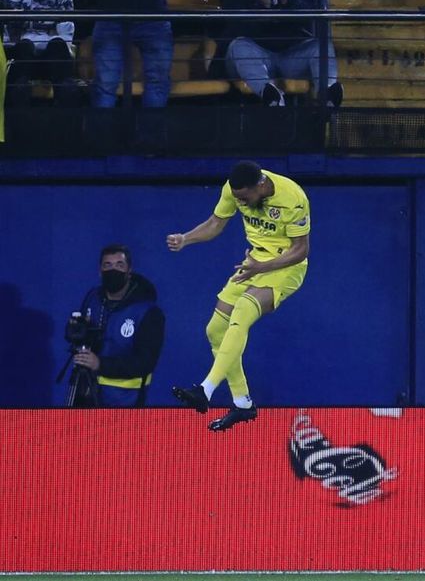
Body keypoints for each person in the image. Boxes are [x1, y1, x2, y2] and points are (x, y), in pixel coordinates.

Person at [167, 160, 311, 431]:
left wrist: (263, 267)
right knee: (215, 329)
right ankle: (243, 402)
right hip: (254, 262)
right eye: (237, 198)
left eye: (245, 198)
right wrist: (186, 239)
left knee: (243, 309)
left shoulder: (293, 197)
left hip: (286, 268)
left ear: (261, 185)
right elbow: (215, 223)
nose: (241, 202)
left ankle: (205, 390)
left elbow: (301, 250)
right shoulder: (233, 191)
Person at [220, 0, 342, 107]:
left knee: (321, 45)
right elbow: (238, 28)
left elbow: (309, 19)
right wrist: (263, 6)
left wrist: (287, 0)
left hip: (290, 55)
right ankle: (270, 96)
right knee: (238, 46)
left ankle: (327, 92)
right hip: (256, 56)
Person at [67, 244, 164, 407]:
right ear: (100, 271)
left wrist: (100, 364)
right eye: (108, 265)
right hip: (86, 392)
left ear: (129, 271)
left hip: (125, 400)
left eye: (120, 265)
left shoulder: (148, 312)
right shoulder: (93, 299)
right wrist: (75, 331)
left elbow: (145, 362)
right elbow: (82, 332)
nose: (113, 270)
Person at [0, 0, 79, 105]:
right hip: (20, 54)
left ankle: (66, 120)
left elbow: (66, 30)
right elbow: (9, 33)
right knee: (23, 48)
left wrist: (27, 26)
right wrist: (46, 27)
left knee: (57, 47)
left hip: (53, 53)